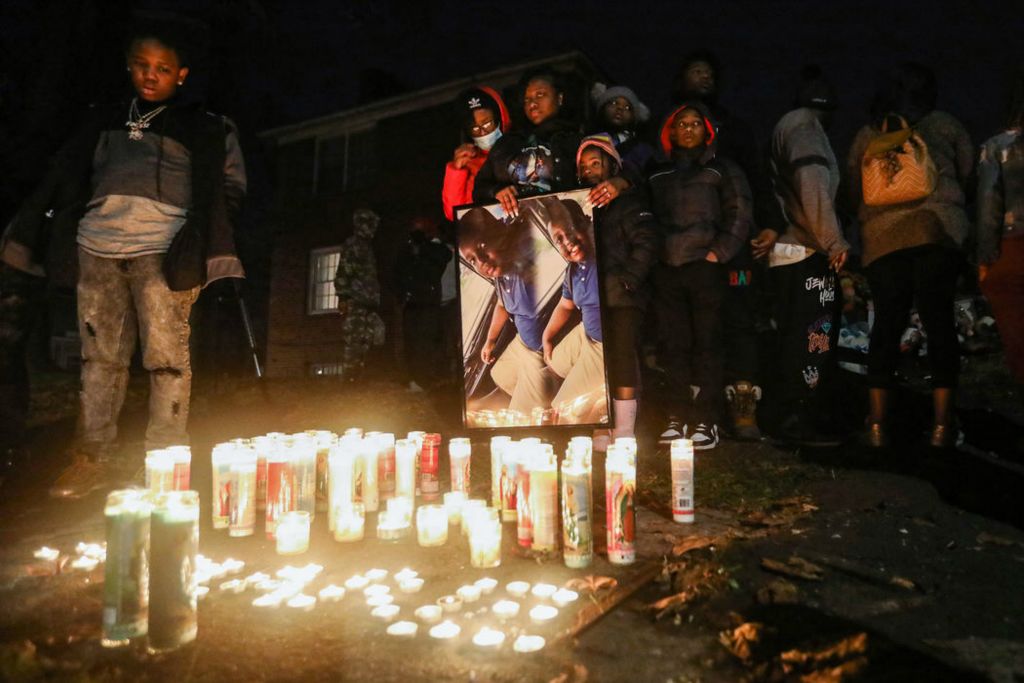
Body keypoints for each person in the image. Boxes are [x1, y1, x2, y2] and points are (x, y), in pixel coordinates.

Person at [0, 18, 247, 498]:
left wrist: (201, 236)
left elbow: (231, 184)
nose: (150, 75)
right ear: (129, 67)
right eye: (141, 65)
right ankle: (92, 457)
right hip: (98, 248)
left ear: (181, 75)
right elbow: (67, 174)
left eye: (162, 68)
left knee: (166, 359)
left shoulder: (204, 126)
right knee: (100, 359)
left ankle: (164, 465)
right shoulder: (104, 119)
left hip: (165, 251)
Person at [847, 63, 974, 449]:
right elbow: (967, 172)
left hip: (884, 240)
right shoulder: (946, 124)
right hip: (937, 232)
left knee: (886, 325)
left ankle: (877, 425)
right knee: (938, 325)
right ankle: (941, 426)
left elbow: (853, 187)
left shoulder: (869, 133)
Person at [671, 48, 769, 441]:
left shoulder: (734, 128)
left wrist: (771, 226)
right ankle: (698, 411)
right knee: (696, 331)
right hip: (690, 258)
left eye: (709, 72)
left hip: (735, 251)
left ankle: (743, 405)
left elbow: (755, 179)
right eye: (695, 71)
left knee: (741, 318)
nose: (704, 77)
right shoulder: (670, 130)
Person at [650, 102, 753, 450]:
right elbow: (646, 216)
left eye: (696, 123)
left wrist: (717, 254)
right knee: (673, 345)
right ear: (672, 131)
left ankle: (706, 421)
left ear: (707, 131)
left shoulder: (722, 169)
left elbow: (739, 212)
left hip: (705, 267)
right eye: (682, 123)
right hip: (667, 269)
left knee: (708, 344)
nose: (689, 129)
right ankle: (677, 417)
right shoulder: (657, 172)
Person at [756, 66, 849, 447]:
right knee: (812, 336)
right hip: (804, 251)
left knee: (794, 336)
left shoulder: (791, 124)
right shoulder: (804, 126)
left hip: (790, 252)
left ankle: (787, 417)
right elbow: (812, 182)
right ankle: (796, 420)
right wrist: (834, 240)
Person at [571, 134, 658, 443]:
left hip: (623, 295)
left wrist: (629, 279)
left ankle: (623, 430)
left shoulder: (629, 201)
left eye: (596, 162)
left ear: (611, 164)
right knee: (597, 360)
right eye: (584, 165)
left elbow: (646, 241)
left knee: (622, 358)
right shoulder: (580, 208)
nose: (590, 169)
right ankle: (602, 424)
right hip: (595, 299)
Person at [460, 206, 553, 418]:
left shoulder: (527, 260)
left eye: (483, 246)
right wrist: (490, 341)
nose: (481, 261)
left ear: (499, 235)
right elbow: (502, 304)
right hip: (524, 342)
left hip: (540, 351)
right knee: (499, 374)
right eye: (472, 259)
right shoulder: (501, 275)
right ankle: (505, 395)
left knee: (518, 416)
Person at [473, 68, 582, 216]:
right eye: (527, 99)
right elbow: (480, 189)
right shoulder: (506, 144)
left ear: (560, 98)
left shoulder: (578, 141)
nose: (532, 104)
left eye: (540, 95)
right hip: (516, 231)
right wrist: (496, 191)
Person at [976, 71, 1024, 401]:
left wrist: (984, 257)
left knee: (1018, 339)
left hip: (1013, 246)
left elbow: (989, 204)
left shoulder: (998, 148)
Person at [539, 197, 605, 425]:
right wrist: (546, 337)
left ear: (586, 222)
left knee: (562, 410)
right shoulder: (572, 271)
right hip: (584, 332)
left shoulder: (604, 257)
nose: (568, 241)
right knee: (551, 366)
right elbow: (565, 305)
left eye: (571, 229)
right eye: (559, 239)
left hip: (604, 345)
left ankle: (597, 400)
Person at [395, 216, 452, 392]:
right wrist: (402, 294)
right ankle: (414, 379)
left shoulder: (437, 249)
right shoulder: (409, 250)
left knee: (426, 343)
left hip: (429, 304)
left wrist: (424, 244)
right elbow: (399, 272)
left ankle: (425, 379)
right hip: (412, 303)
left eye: (420, 230)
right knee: (411, 343)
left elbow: (441, 258)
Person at [441, 86, 511, 222]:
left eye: (487, 124)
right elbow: (453, 213)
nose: (483, 133)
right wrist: (456, 170)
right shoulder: (468, 161)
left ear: (500, 118)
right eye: (475, 128)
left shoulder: (521, 148)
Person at [334, 208, 386, 379]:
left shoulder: (368, 247)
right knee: (354, 339)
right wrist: (343, 297)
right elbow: (344, 271)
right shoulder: (353, 244)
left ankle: (360, 375)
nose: (373, 229)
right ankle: (350, 376)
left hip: (368, 301)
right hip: (356, 300)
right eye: (370, 225)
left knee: (366, 338)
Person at [588, 83, 657, 189]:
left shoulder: (641, 148)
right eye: (614, 103)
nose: (620, 109)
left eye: (627, 107)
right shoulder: (585, 140)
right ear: (602, 108)